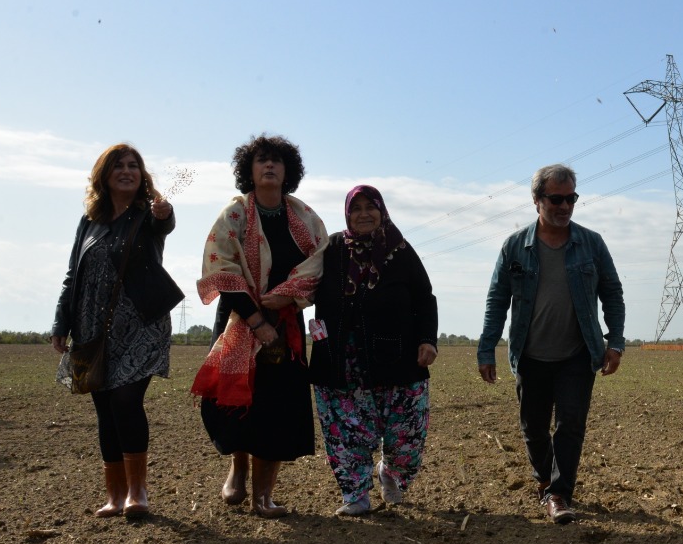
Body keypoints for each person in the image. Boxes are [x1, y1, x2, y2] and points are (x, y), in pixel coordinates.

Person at [478, 164, 625, 525]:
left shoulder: (591, 243)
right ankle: (545, 481)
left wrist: (616, 341)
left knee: (571, 424)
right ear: (537, 200)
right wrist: (486, 348)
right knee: (533, 427)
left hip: (578, 354)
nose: (564, 206)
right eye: (556, 199)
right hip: (530, 355)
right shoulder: (515, 247)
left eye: (571, 198)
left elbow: (613, 294)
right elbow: (497, 300)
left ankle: (559, 493)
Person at [192, 135, 327, 517]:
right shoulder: (233, 216)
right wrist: (255, 319)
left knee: (279, 408)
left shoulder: (306, 219)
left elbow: (319, 263)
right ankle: (238, 465)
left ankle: (263, 496)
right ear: (248, 171)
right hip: (239, 316)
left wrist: (289, 296)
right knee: (238, 401)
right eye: (261, 161)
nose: (269, 166)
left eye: (277, 161)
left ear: (288, 172)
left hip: (287, 318)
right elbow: (221, 270)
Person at [51, 145, 176, 520]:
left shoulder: (148, 214)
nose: (126, 171)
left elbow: (164, 223)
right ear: (103, 175)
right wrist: (62, 321)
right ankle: (115, 494)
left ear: (142, 175)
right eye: (118, 166)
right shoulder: (90, 220)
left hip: (141, 324)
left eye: (133, 165)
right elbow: (73, 274)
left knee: (125, 401)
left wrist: (164, 211)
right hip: (94, 325)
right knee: (104, 408)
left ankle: (139, 492)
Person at [309, 185, 438, 516]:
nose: (364, 213)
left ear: (382, 211)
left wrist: (427, 339)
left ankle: (391, 474)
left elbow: (425, 298)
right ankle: (356, 495)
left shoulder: (400, 250)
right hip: (341, 359)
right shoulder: (332, 249)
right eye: (357, 208)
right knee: (345, 430)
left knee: (406, 431)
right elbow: (301, 282)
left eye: (371, 207)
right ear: (347, 214)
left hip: (397, 358)